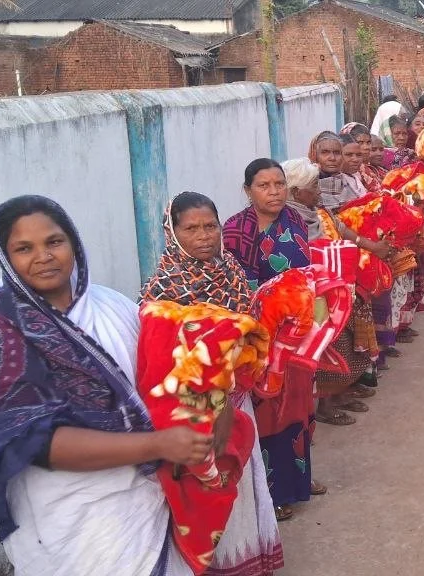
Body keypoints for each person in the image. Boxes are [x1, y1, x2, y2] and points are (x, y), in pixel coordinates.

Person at [0, 195, 202, 575]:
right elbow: (34, 442)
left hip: (143, 502)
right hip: (69, 518)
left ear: (73, 243)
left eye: (54, 242)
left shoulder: (112, 306)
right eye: (24, 248)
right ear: (6, 258)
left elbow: (162, 381)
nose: (43, 256)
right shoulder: (3, 334)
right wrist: (157, 444)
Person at [140, 192, 287, 569]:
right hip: (195, 412)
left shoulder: (232, 272)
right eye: (191, 229)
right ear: (172, 234)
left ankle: (249, 558)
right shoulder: (163, 289)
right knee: (206, 488)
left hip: (238, 401)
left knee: (242, 479)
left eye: (210, 226)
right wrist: (212, 404)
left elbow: (252, 331)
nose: (204, 236)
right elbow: (159, 361)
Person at [224, 158, 310, 290]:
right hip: (256, 304)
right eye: (264, 186)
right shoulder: (235, 229)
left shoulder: (294, 217)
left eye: (280, 184)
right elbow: (235, 282)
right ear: (248, 191)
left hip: (304, 297)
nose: (274, 192)